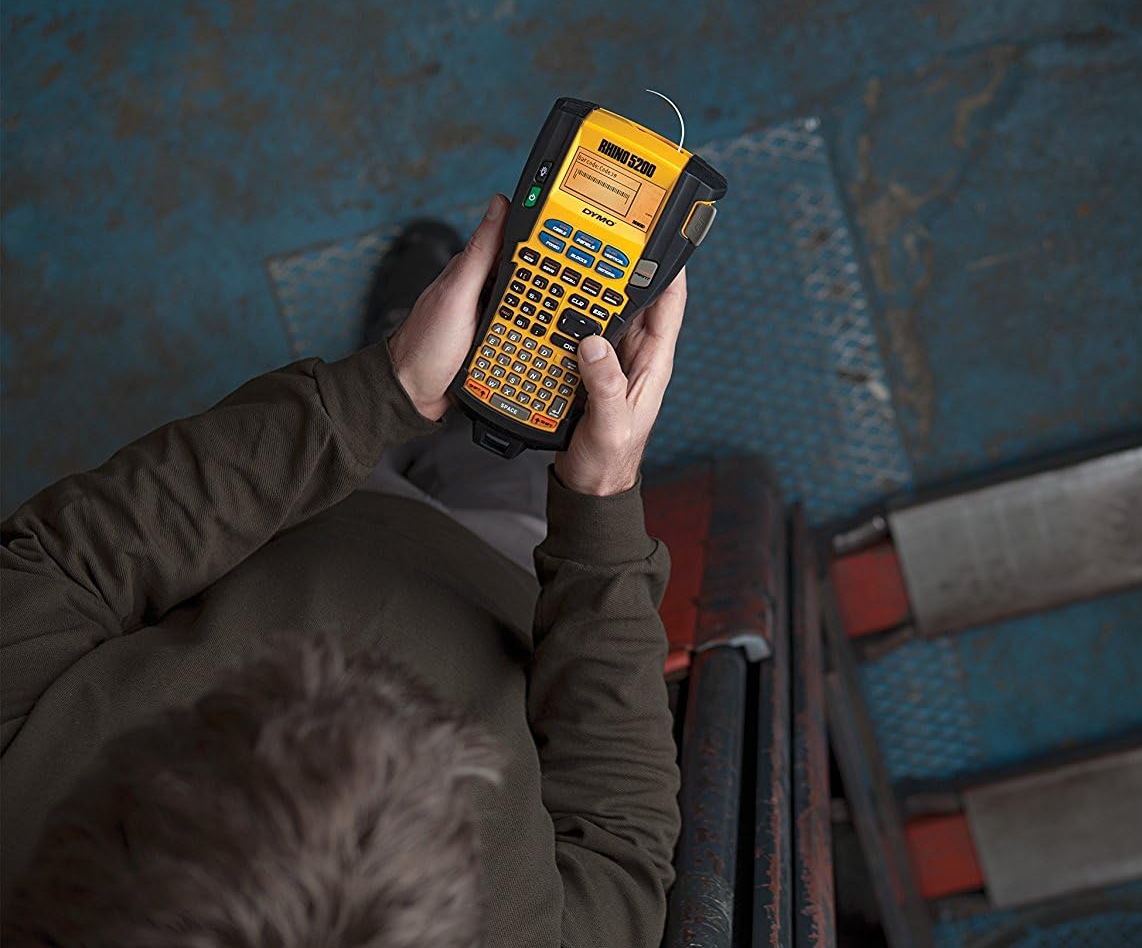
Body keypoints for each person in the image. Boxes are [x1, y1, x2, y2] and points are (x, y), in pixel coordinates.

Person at [0, 193, 686, 947]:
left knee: (461, 391)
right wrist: (599, 497)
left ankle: (430, 354)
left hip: (290, 519)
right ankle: (472, 353)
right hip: (512, 574)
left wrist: (380, 389)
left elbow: (77, 555)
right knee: (514, 427)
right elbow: (618, 828)